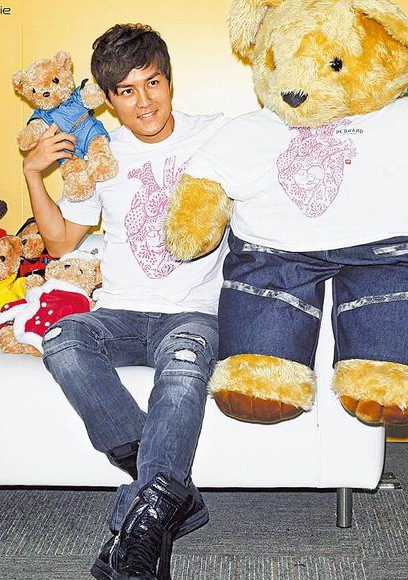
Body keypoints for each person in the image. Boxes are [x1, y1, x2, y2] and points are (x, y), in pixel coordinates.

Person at [22, 23, 228, 580]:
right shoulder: (101, 154)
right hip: (120, 312)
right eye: (127, 91)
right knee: (62, 339)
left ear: (170, 80)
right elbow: (61, 242)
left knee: (183, 372)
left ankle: (141, 524)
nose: (145, 102)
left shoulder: (218, 135)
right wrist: (34, 174)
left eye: (153, 83)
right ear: (108, 99)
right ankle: (170, 494)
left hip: (193, 313)